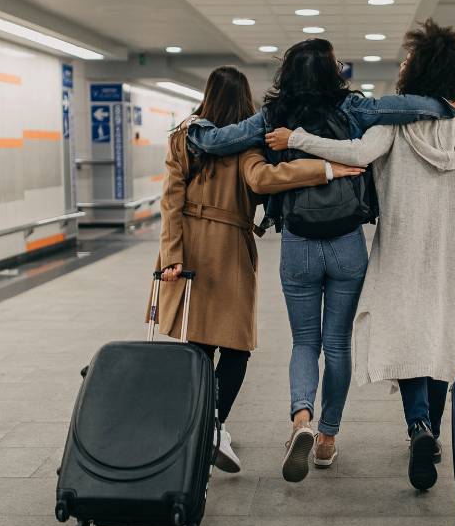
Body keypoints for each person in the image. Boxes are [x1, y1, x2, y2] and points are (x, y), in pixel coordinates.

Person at [185, 39, 455, 483]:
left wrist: (195, 128)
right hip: (346, 242)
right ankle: (329, 438)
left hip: (298, 240)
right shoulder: (354, 108)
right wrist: (444, 106)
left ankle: (302, 420)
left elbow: (221, 141)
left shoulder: (275, 116)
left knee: (304, 343)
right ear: (334, 70)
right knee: (337, 345)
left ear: (287, 73)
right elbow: (406, 106)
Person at [265, 20, 455, 491]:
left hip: (402, 248)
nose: (401, 65)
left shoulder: (393, 126)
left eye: (408, 61)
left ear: (421, 71)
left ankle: (415, 425)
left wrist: (296, 138)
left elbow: (353, 152)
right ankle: (429, 431)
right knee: (442, 340)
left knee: (409, 339)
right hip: (454, 254)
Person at [153, 66, 365, 474]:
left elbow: (170, 201)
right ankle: (214, 425)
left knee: (197, 344)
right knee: (236, 349)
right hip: (230, 249)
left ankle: (197, 425)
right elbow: (266, 178)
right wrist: (326, 168)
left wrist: (171, 256)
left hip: (190, 250)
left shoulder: (183, 138)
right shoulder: (246, 145)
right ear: (244, 103)